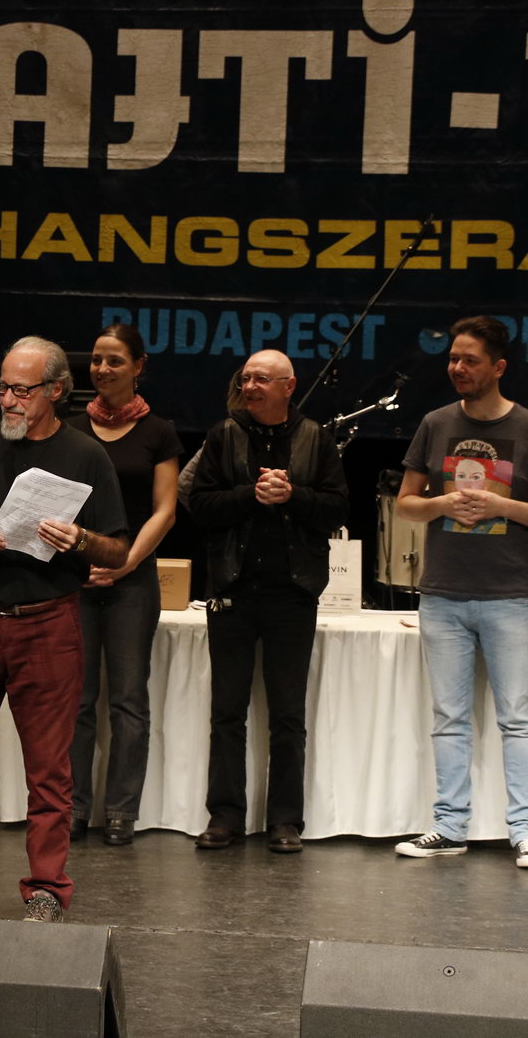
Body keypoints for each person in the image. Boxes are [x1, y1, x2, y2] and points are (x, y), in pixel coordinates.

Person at [0, 336, 128, 922]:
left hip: (48, 626)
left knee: (50, 771)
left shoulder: (85, 455)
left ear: (55, 390)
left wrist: (80, 540)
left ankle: (45, 891)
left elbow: (117, 549)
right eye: (3, 387)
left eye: (21, 390)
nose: (8, 399)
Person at [393, 315, 528, 870]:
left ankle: (526, 831)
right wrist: (442, 504)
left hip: (509, 594)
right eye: (453, 358)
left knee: (518, 716)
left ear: (498, 367)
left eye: (469, 360)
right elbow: (405, 504)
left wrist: (502, 506)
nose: (457, 368)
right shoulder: (435, 423)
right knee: (449, 716)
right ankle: (450, 827)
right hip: (443, 592)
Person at [185, 349, 347, 855]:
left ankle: (285, 820)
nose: (250, 387)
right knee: (227, 712)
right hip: (232, 589)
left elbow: (337, 509)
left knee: (288, 716)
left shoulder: (316, 437)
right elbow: (200, 505)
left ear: (288, 386)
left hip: (291, 593)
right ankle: (224, 816)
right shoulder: (223, 434)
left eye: (261, 379)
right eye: (246, 378)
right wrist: (251, 494)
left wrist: (292, 494)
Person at [64, 324, 180, 846]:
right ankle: (73, 807)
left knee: (128, 700)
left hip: (133, 581)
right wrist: (83, 559)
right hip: (76, 576)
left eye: (114, 361)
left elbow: (165, 511)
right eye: (96, 360)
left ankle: (120, 810)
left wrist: (125, 563)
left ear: (138, 366)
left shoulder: (159, 432)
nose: (102, 369)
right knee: (78, 700)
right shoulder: (69, 430)